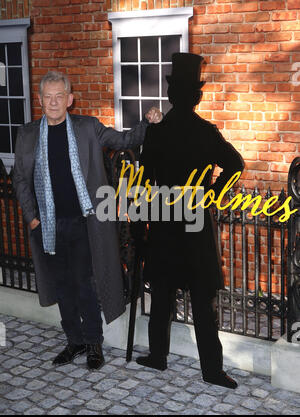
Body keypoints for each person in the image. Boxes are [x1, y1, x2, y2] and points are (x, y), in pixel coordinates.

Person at [13, 70, 162, 370]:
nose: (54, 102)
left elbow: (124, 140)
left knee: (84, 283)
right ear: (40, 100)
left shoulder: (88, 128)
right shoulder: (27, 134)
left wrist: (148, 123)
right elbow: (20, 180)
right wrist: (32, 220)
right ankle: (75, 341)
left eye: (59, 97)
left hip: (83, 222)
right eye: (48, 97)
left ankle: (94, 343)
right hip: (48, 226)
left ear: (70, 99)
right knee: (62, 286)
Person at [135, 53, 244, 389]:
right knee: (202, 302)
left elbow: (142, 186)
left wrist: (140, 231)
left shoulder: (156, 133)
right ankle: (211, 370)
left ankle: (158, 356)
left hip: (165, 225)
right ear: (196, 96)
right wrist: (212, 193)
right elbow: (236, 164)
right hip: (194, 225)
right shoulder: (206, 133)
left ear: (171, 95)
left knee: (163, 296)